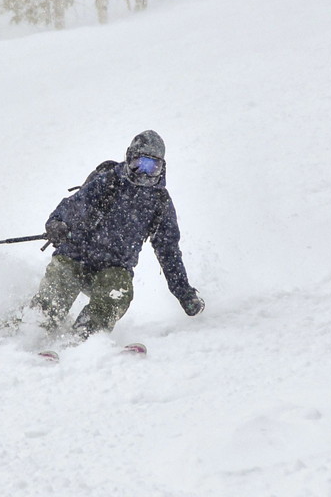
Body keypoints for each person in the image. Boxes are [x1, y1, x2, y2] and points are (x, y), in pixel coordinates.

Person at [29, 130, 204, 340]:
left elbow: (169, 252)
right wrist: (57, 223)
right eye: (139, 164)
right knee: (57, 289)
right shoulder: (108, 181)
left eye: (152, 167)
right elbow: (74, 206)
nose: (144, 173)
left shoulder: (159, 202)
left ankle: (86, 333)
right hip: (74, 257)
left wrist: (183, 293)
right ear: (129, 158)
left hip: (113, 268)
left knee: (116, 292)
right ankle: (27, 330)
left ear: (162, 168)